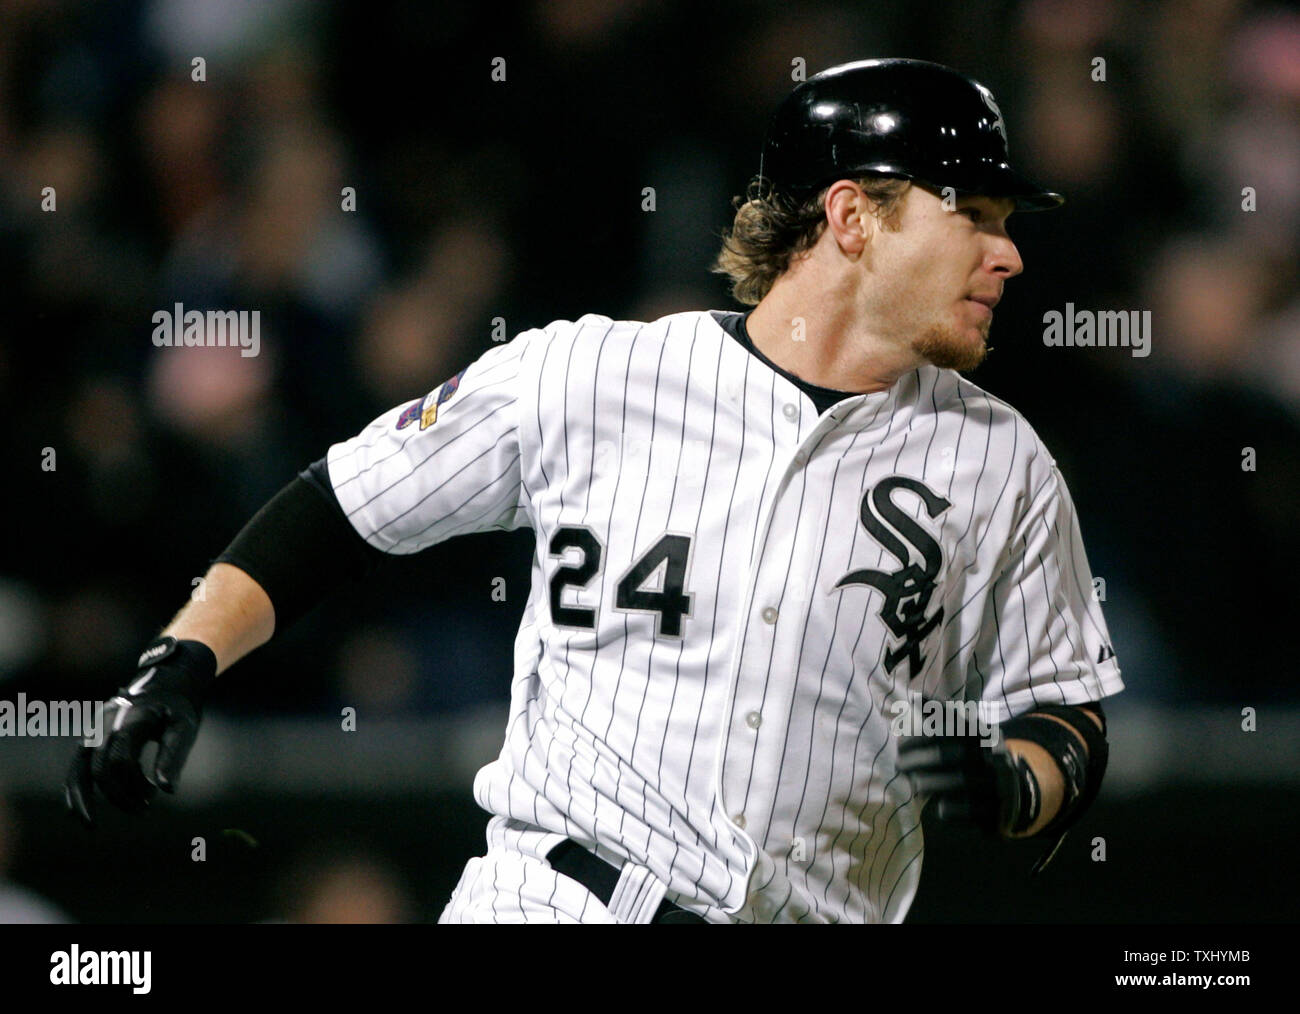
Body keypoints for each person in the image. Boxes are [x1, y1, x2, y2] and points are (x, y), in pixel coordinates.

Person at [65, 58, 1122, 924]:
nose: (1008, 252)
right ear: (853, 217)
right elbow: (343, 506)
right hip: (561, 900)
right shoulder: (590, 373)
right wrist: (181, 660)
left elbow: (1068, 715)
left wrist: (1016, 781)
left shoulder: (1002, 462)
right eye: (974, 213)